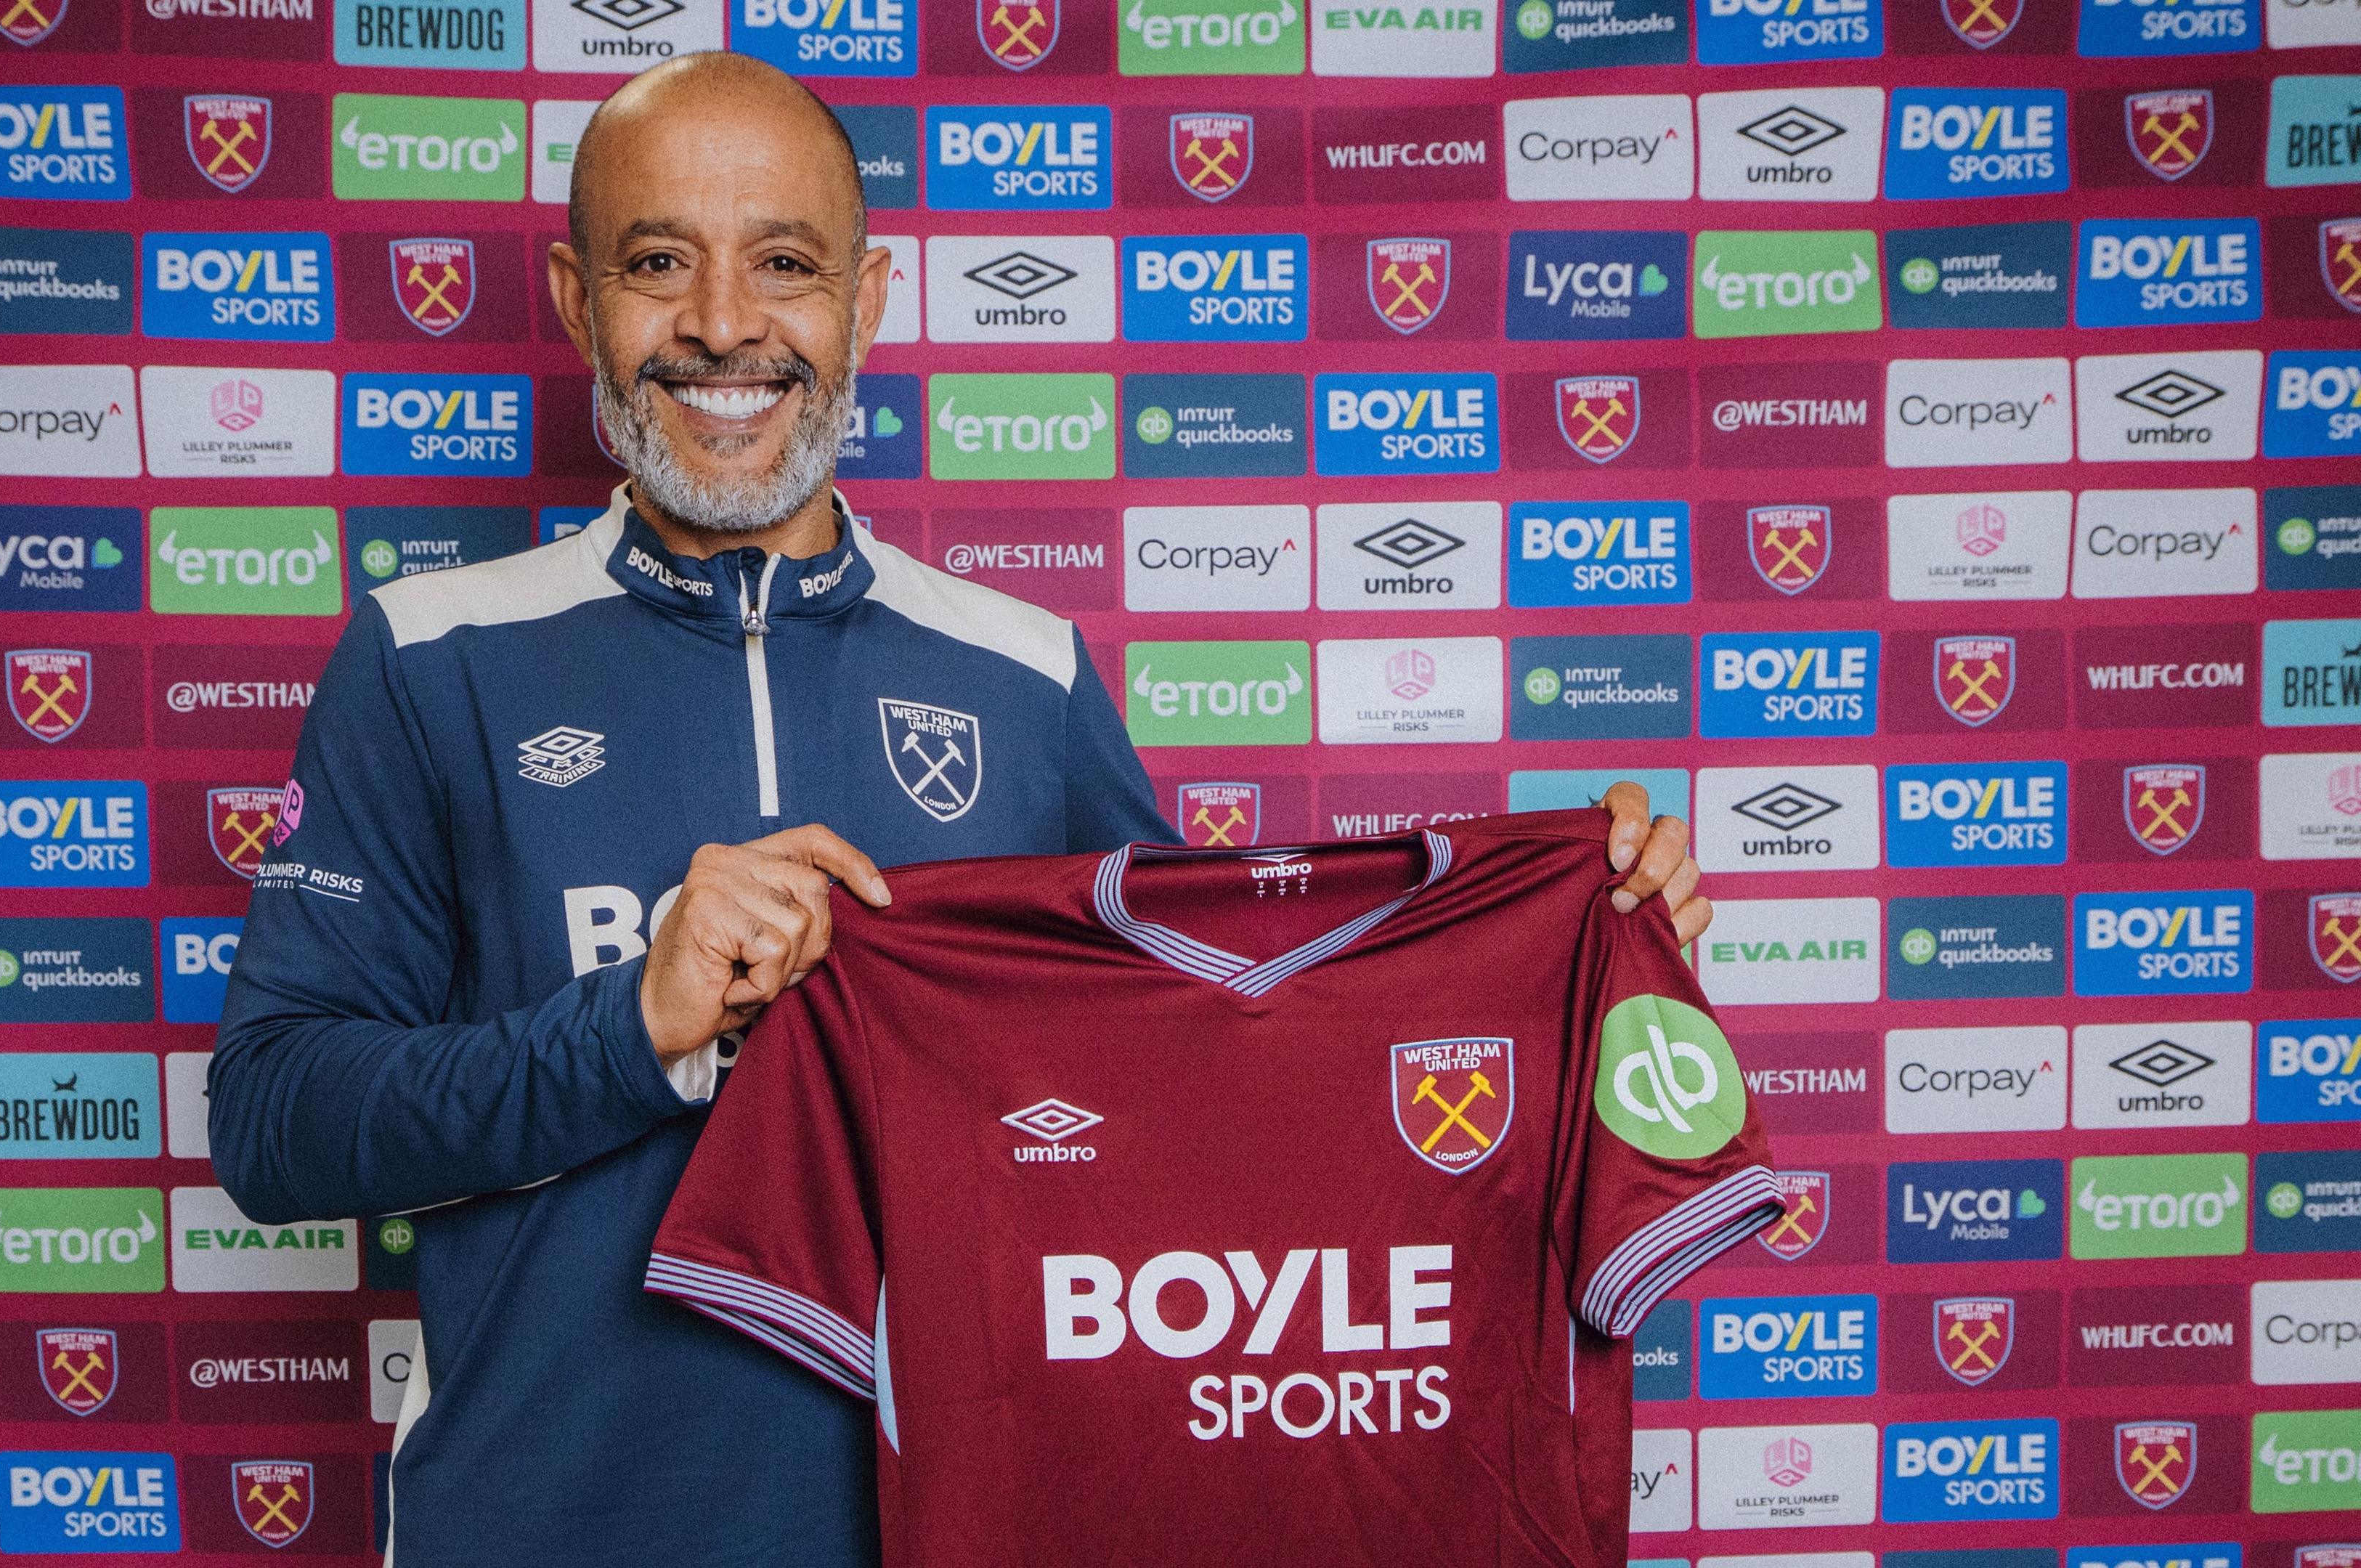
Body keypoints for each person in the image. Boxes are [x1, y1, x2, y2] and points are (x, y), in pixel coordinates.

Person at [206, 51, 1712, 1568]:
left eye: (784, 265)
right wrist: (633, 1030)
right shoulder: (426, 660)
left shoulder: (1024, 675)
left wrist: (1569, 971)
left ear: (865, 304)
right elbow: (273, 1127)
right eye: (659, 263)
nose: (724, 324)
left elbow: (1227, 1079)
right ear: (576, 300)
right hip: (543, 1531)